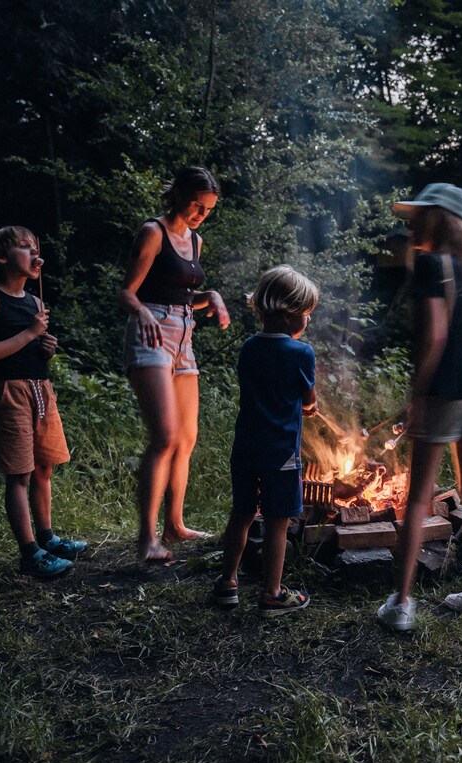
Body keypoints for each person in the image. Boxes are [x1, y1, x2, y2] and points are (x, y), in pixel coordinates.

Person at [377, 183, 462, 631]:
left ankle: (401, 604)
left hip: (445, 392)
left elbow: (434, 337)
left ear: (438, 220)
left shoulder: (432, 265)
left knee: (416, 500)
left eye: (419, 217)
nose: (411, 225)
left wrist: (417, 396)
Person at [118, 166, 230, 561]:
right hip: (152, 334)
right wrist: (143, 313)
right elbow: (127, 292)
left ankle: (175, 526)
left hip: (185, 337)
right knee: (164, 437)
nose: (201, 213)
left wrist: (211, 297)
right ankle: (147, 540)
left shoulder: (195, 242)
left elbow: (184, 296)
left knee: (186, 439)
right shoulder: (153, 232)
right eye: (197, 204)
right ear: (179, 193)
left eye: (208, 209)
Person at [0, 226, 88, 578]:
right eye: (25, 248)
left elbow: (31, 349)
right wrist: (30, 334)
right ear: (2, 257)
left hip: (42, 390)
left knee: (43, 468)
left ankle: (47, 538)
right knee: (19, 473)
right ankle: (29, 553)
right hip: (11, 392)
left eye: (36, 247)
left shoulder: (36, 302)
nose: (35, 254)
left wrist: (45, 349)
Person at [212, 266, 319, 616]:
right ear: (292, 315)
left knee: (241, 513)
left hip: (245, 447)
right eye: (307, 313)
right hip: (281, 453)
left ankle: (228, 582)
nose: (308, 320)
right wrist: (311, 406)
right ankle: (272, 593)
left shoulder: (249, 347)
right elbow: (307, 399)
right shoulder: (301, 353)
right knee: (277, 521)